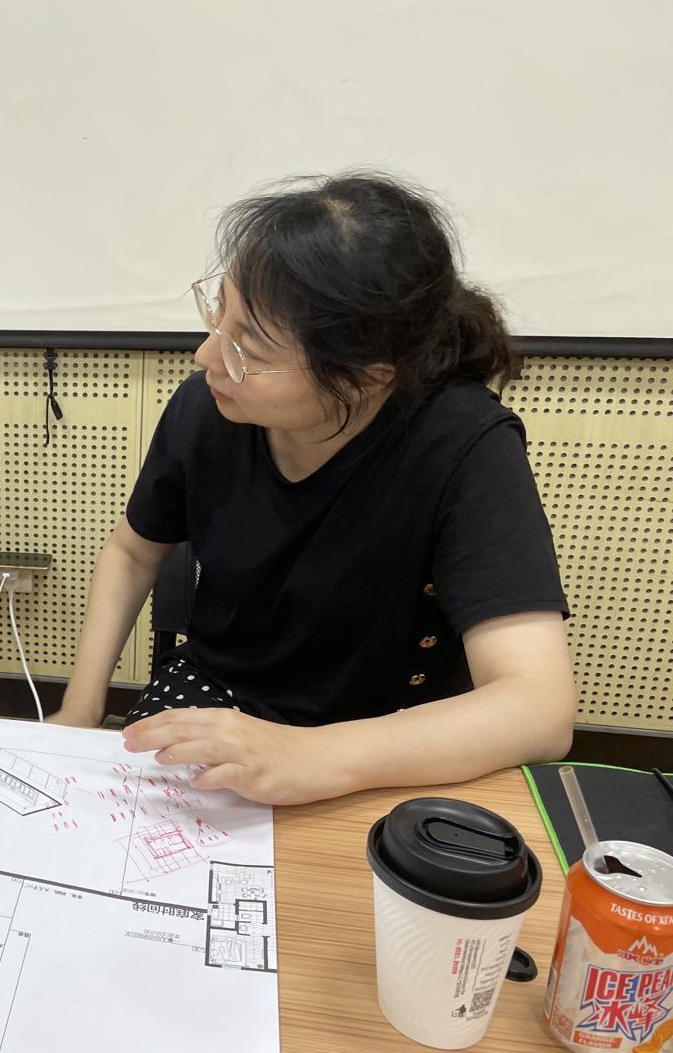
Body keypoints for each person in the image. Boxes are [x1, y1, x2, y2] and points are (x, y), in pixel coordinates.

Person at [49, 173, 575, 805]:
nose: (205, 356)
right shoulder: (207, 408)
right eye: (218, 314)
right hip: (219, 694)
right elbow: (133, 552)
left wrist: (313, 755)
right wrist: (81, 710)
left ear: (366, 376)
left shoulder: (462, 443)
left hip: (388, 733)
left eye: (248, 346)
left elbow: (539, 708)